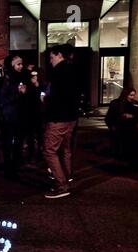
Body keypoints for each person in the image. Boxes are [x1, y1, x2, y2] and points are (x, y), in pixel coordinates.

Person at [42, 45, 79, 199]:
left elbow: (57, 96)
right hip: (71, 117)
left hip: (58, 118)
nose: (50, 61)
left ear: (59, 55)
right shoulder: (73, 70)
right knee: (65, 149)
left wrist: (45, 98)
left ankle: (62, 185)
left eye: (51, 57)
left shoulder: (59, 72)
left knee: (49, 150)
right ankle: (66, 177)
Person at [0, 55, 27, 179]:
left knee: (18, 142)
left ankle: (16, 165)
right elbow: (3, 98)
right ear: (12, 65)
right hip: (9, 116)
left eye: (21, 64)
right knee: (9, 143)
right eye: (18, 64)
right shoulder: (6, 78)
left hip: (19, 115)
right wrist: (18, 93)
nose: (21, 66)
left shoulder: (20, 76)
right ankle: (9, 168)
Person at [105, 88, 138, 165]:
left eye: (133, 95)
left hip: (131, 129)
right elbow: (109, 117)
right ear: (125, 94)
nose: (132, 97)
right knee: (120, 148)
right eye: (130, 95)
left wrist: (132, 116)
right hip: (119, 128)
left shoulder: (135, 104)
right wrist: (112, 126)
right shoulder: (115, 103)